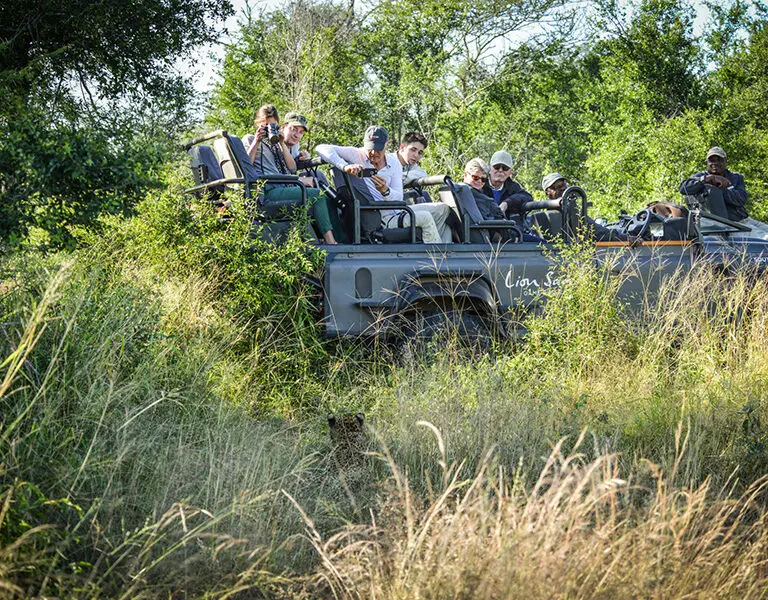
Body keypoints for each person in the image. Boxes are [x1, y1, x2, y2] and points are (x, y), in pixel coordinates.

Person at [316, 126, 443, 243]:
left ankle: (449, 251)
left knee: (442, 209)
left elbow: (399, 198)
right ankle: (438, 257)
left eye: (378, 149)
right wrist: (345, 166)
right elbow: (321, 148)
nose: (374, 153)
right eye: (370, 148)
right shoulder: (356, 154)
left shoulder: (394, 163)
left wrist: (385, 191)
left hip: (397, 210)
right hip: (382, 217)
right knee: (425, 217)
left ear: (386, 145)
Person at [246, 105, 345, 244]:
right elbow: (246, 166)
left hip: (281, 187)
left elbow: (292, 168)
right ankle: (331, 242)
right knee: (315, 195)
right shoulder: (250, 139)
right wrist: (257, 141)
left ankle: (342, 240)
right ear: (259, 124)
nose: (268, 128)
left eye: (272, 125)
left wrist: (281, 143)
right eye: (265, 125)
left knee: (326, 196)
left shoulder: (276, 143)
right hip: (267, 189)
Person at [679, 146, 768, 239]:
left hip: (744, 220)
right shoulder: (702, 177)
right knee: (765, 238)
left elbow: (741, 199)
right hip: (730, 225)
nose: (715, 163)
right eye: (711, 160)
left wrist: (720, 190)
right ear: (707, 162)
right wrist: (707, 179)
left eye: (719, 160)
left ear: (726, 162)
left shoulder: (736, 178)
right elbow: (683, 188)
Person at [396, 131, 457, 243]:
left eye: (420, 153)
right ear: (402, 148)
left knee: (443, 209)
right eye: (413, 150)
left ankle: (445, 250)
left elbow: (422, 173)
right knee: (427, 216)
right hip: (391, 211)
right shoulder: (388, 161)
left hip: (400, 208)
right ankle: (436, 252)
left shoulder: (410, 166)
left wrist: (405, 177)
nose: (416, 155)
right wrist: (403, 178)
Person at [540, 172, 632, 242]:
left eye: (564, 184)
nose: (563, 188)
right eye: (557, 187)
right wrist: (626, 238)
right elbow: (598, 233)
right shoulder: (567, 212)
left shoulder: (547, 214)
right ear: (548, 192)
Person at [482, 150, 533, 217]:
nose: (500, 170)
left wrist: (506, 203)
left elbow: (527, 197)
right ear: (490, 168)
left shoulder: (511, 186)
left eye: (505, 168)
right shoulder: (480, 183)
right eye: (496, 167)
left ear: (510, 172)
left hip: (506, 226)